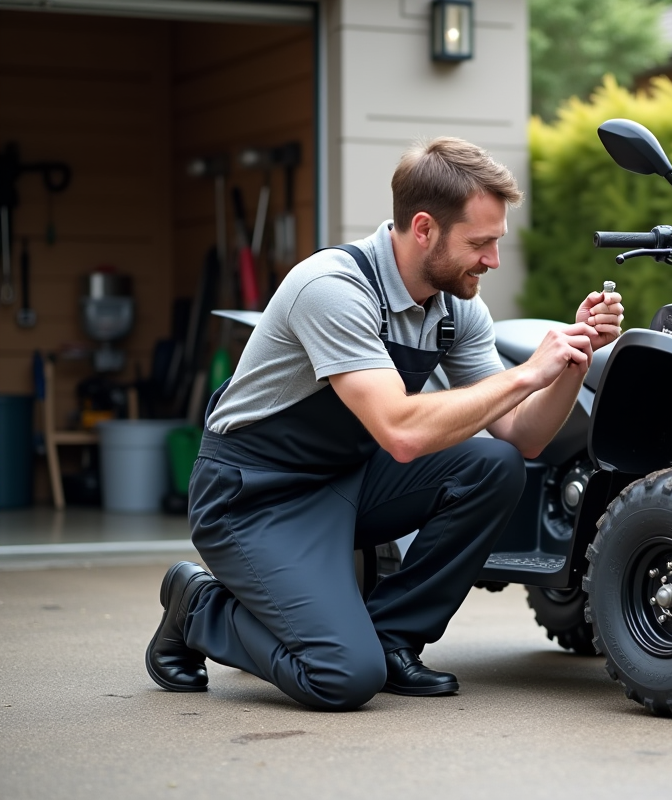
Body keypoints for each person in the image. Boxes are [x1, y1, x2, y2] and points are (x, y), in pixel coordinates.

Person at [145, 138, 623, 711]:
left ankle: (393, 638)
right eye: (481, 243)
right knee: (341, 677)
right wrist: (525, 373)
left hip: (346, 479)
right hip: (253, 498)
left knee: (493, 466)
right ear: (424, 228)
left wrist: (573, 359)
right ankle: (198, 604)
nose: (492, 260)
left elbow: (525, 436)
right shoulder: (332, 288)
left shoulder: (456, 307)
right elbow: (401, 432)